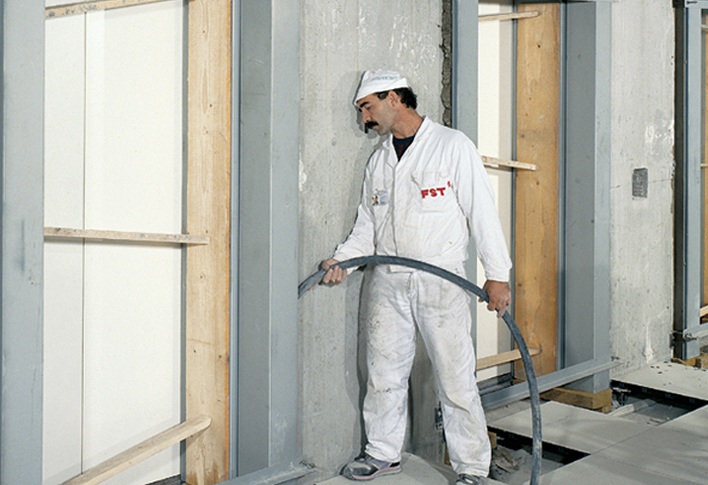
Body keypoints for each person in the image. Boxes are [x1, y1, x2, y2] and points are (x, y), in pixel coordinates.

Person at [322, 69, 512, 485]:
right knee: (384, 373)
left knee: (455, 378)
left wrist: (497, 275)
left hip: (440, 281)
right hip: (388, 281)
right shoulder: (380, 159)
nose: (364, 120)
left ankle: (473, 467)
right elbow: (366, 227)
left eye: (367, 108)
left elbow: (482, 211)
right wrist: (343, 260)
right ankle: (383, 452)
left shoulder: (451, 146)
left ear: (393, 98)